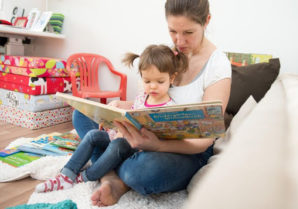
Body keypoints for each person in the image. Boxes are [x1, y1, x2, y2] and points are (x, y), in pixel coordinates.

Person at [77, 0, 231, 206]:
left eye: (188, 32)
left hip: (187, 150)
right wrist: (121, 106)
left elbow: (205, 139)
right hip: (141, 140)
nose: (179, 40)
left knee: (142, 171)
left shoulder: (218, 65)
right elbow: (152, 102)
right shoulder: (170, 55)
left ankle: (114, 173)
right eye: (172, 31)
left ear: (206, 21)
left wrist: (158, 145)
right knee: (81, 113)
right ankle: (111, 176)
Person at [35, 44, 188, 193]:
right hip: (120, 137)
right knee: (92, 135)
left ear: (172, 78)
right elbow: (128, 119)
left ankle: (87, 176)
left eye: (160, 82)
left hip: (136, 149)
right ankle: (66, 176)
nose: (152, 86)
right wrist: (110, 122)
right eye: (147, 81)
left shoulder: (169, 108)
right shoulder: (142, 98)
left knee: (117, 145)